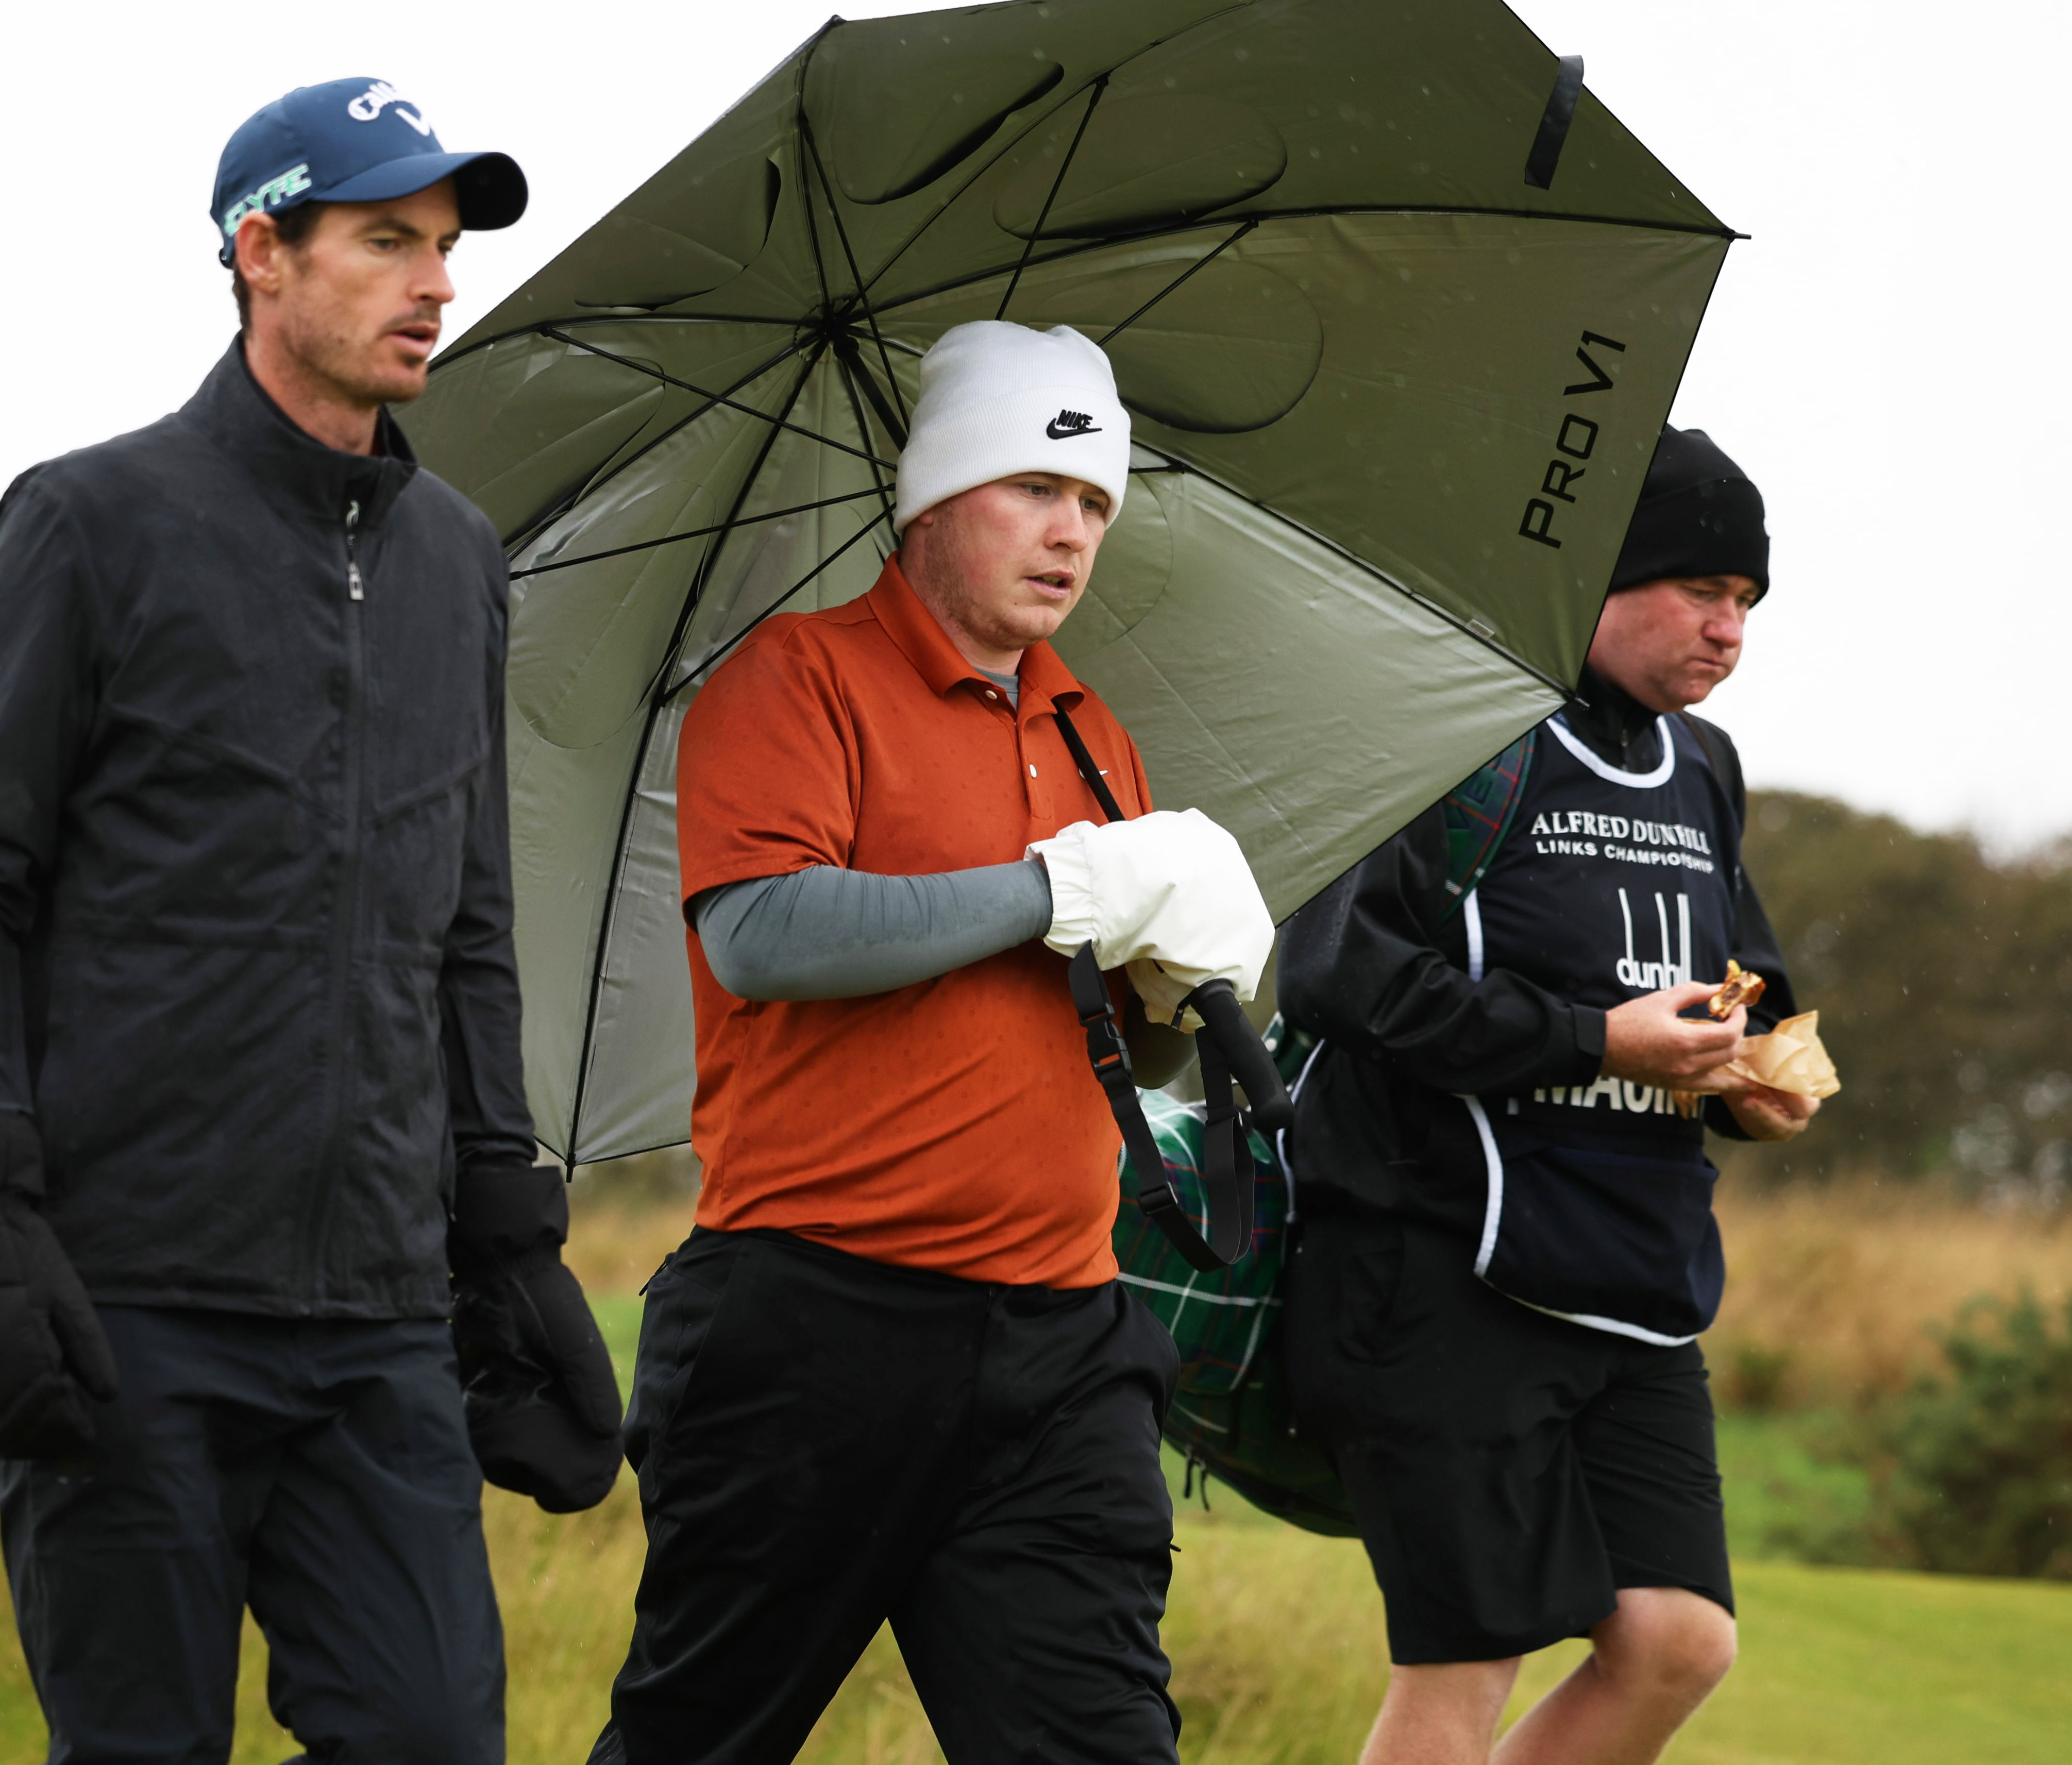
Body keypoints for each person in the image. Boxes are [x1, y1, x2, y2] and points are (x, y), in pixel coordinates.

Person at [0, 77, 620, 1765]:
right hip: (122, 1294)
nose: (434, 283)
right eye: (386, 241)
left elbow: (469, 918)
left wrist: (501, 1222)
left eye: (442, 248)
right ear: (259, 253)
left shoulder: (458, 559)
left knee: (435, 1736)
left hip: (378, 1311)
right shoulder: (88, 523)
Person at [586, 321, 1275, 1765]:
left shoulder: (1096, 736)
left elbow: (1109, 1065)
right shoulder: (794, 677)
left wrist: (1173, 998)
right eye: (1034, 486)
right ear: (933, 497)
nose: (1069, 530)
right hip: (813, 1329)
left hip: (1061, 1339)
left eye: (1094, 502)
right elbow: (761, 934)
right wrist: (1055, 887)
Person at [1276, 427, 1820, 1765]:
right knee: (1468, 1662)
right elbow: (1330, 973)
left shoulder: (1704, 768)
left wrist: (1774, 1075)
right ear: (1601, 575)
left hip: (1632, 1275)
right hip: (1434, 1264)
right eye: (1699, 588)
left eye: (1745, 601)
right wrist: (1592, 1039)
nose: (1725, 626)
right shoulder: (1455, 730)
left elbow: (1752, 984)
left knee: (1678, 1636)